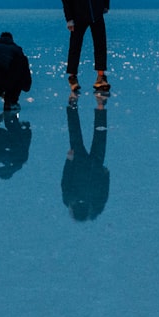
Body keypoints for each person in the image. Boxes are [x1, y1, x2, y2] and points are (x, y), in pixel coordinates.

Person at [61, 0, 110, 92]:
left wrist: (105, 5)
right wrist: (69, 19)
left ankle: (101, 76)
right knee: (75, 46)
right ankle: (72, 76)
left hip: (96, 14)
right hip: (78, 17)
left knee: (100, 44)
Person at [61, 92, 110, 221]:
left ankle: (100, 105)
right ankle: (73, 105)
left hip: (95, 167)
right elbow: (65, 181)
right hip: (80, 164)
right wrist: (69, 160)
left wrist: (105, 175)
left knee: (100, 136)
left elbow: (104, 192)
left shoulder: (96, 205)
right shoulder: (69, 200)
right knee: (75, 133)